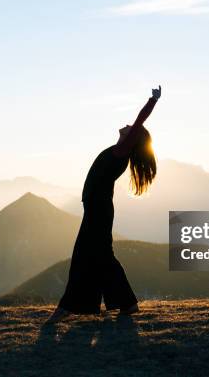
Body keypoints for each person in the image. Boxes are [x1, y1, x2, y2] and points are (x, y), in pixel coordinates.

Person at [47, 86, 162, 323]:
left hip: (98, 210)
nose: (128, 126)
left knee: (84, 256)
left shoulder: (121, 151)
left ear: (134, 138)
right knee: (101, 257)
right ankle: (126, 304)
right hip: (97, 209)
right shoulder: (119, 152)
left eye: (133, 129)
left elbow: (139, 121)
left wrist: (153, 100)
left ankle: (67, 307)